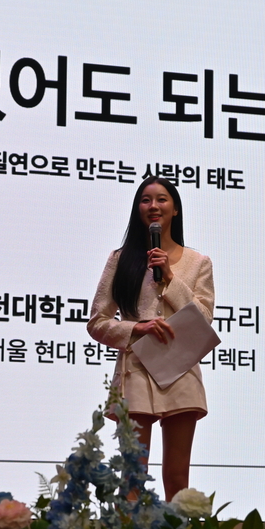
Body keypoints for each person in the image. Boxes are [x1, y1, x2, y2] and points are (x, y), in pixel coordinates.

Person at [87, 176, 214, 501]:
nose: (153, 206)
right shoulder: (120, 259)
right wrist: (135, 329)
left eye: (162, 199)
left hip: (181, 369)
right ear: (137, 208)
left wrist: (170, 277)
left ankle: (178, 523)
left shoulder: (198, 263)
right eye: (145, 200)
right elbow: (97, 322)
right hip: (136, 370)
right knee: (133, 476)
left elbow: (204, 319)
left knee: (177, 477)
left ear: (175, 209)